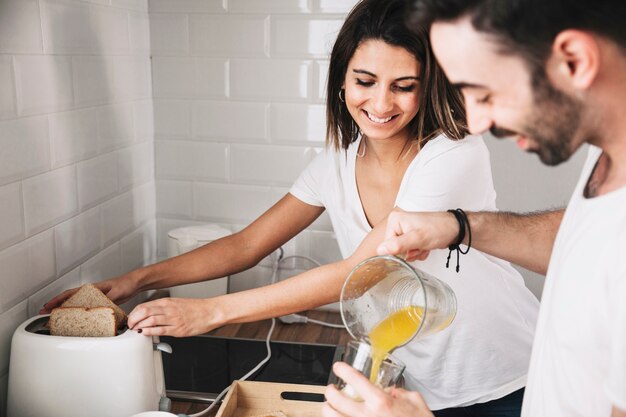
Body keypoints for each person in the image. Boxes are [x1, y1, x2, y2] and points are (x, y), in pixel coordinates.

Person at [43, 0, 539, 414]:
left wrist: (212, 311)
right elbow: (246, 245)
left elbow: (366, 270)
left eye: (403, 86)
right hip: (418, 383)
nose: (381, 103)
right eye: (365, 81)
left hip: (505, 372)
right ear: (342, 80)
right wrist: (137, 278)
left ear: (426, 86)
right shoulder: (334, 166)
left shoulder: (453, 154)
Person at [324, 0, 626, 416]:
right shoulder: (608, 155)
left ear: (574, 59)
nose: (478, 121)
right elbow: (585, 240)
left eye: (484, 92)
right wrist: (458, 227)